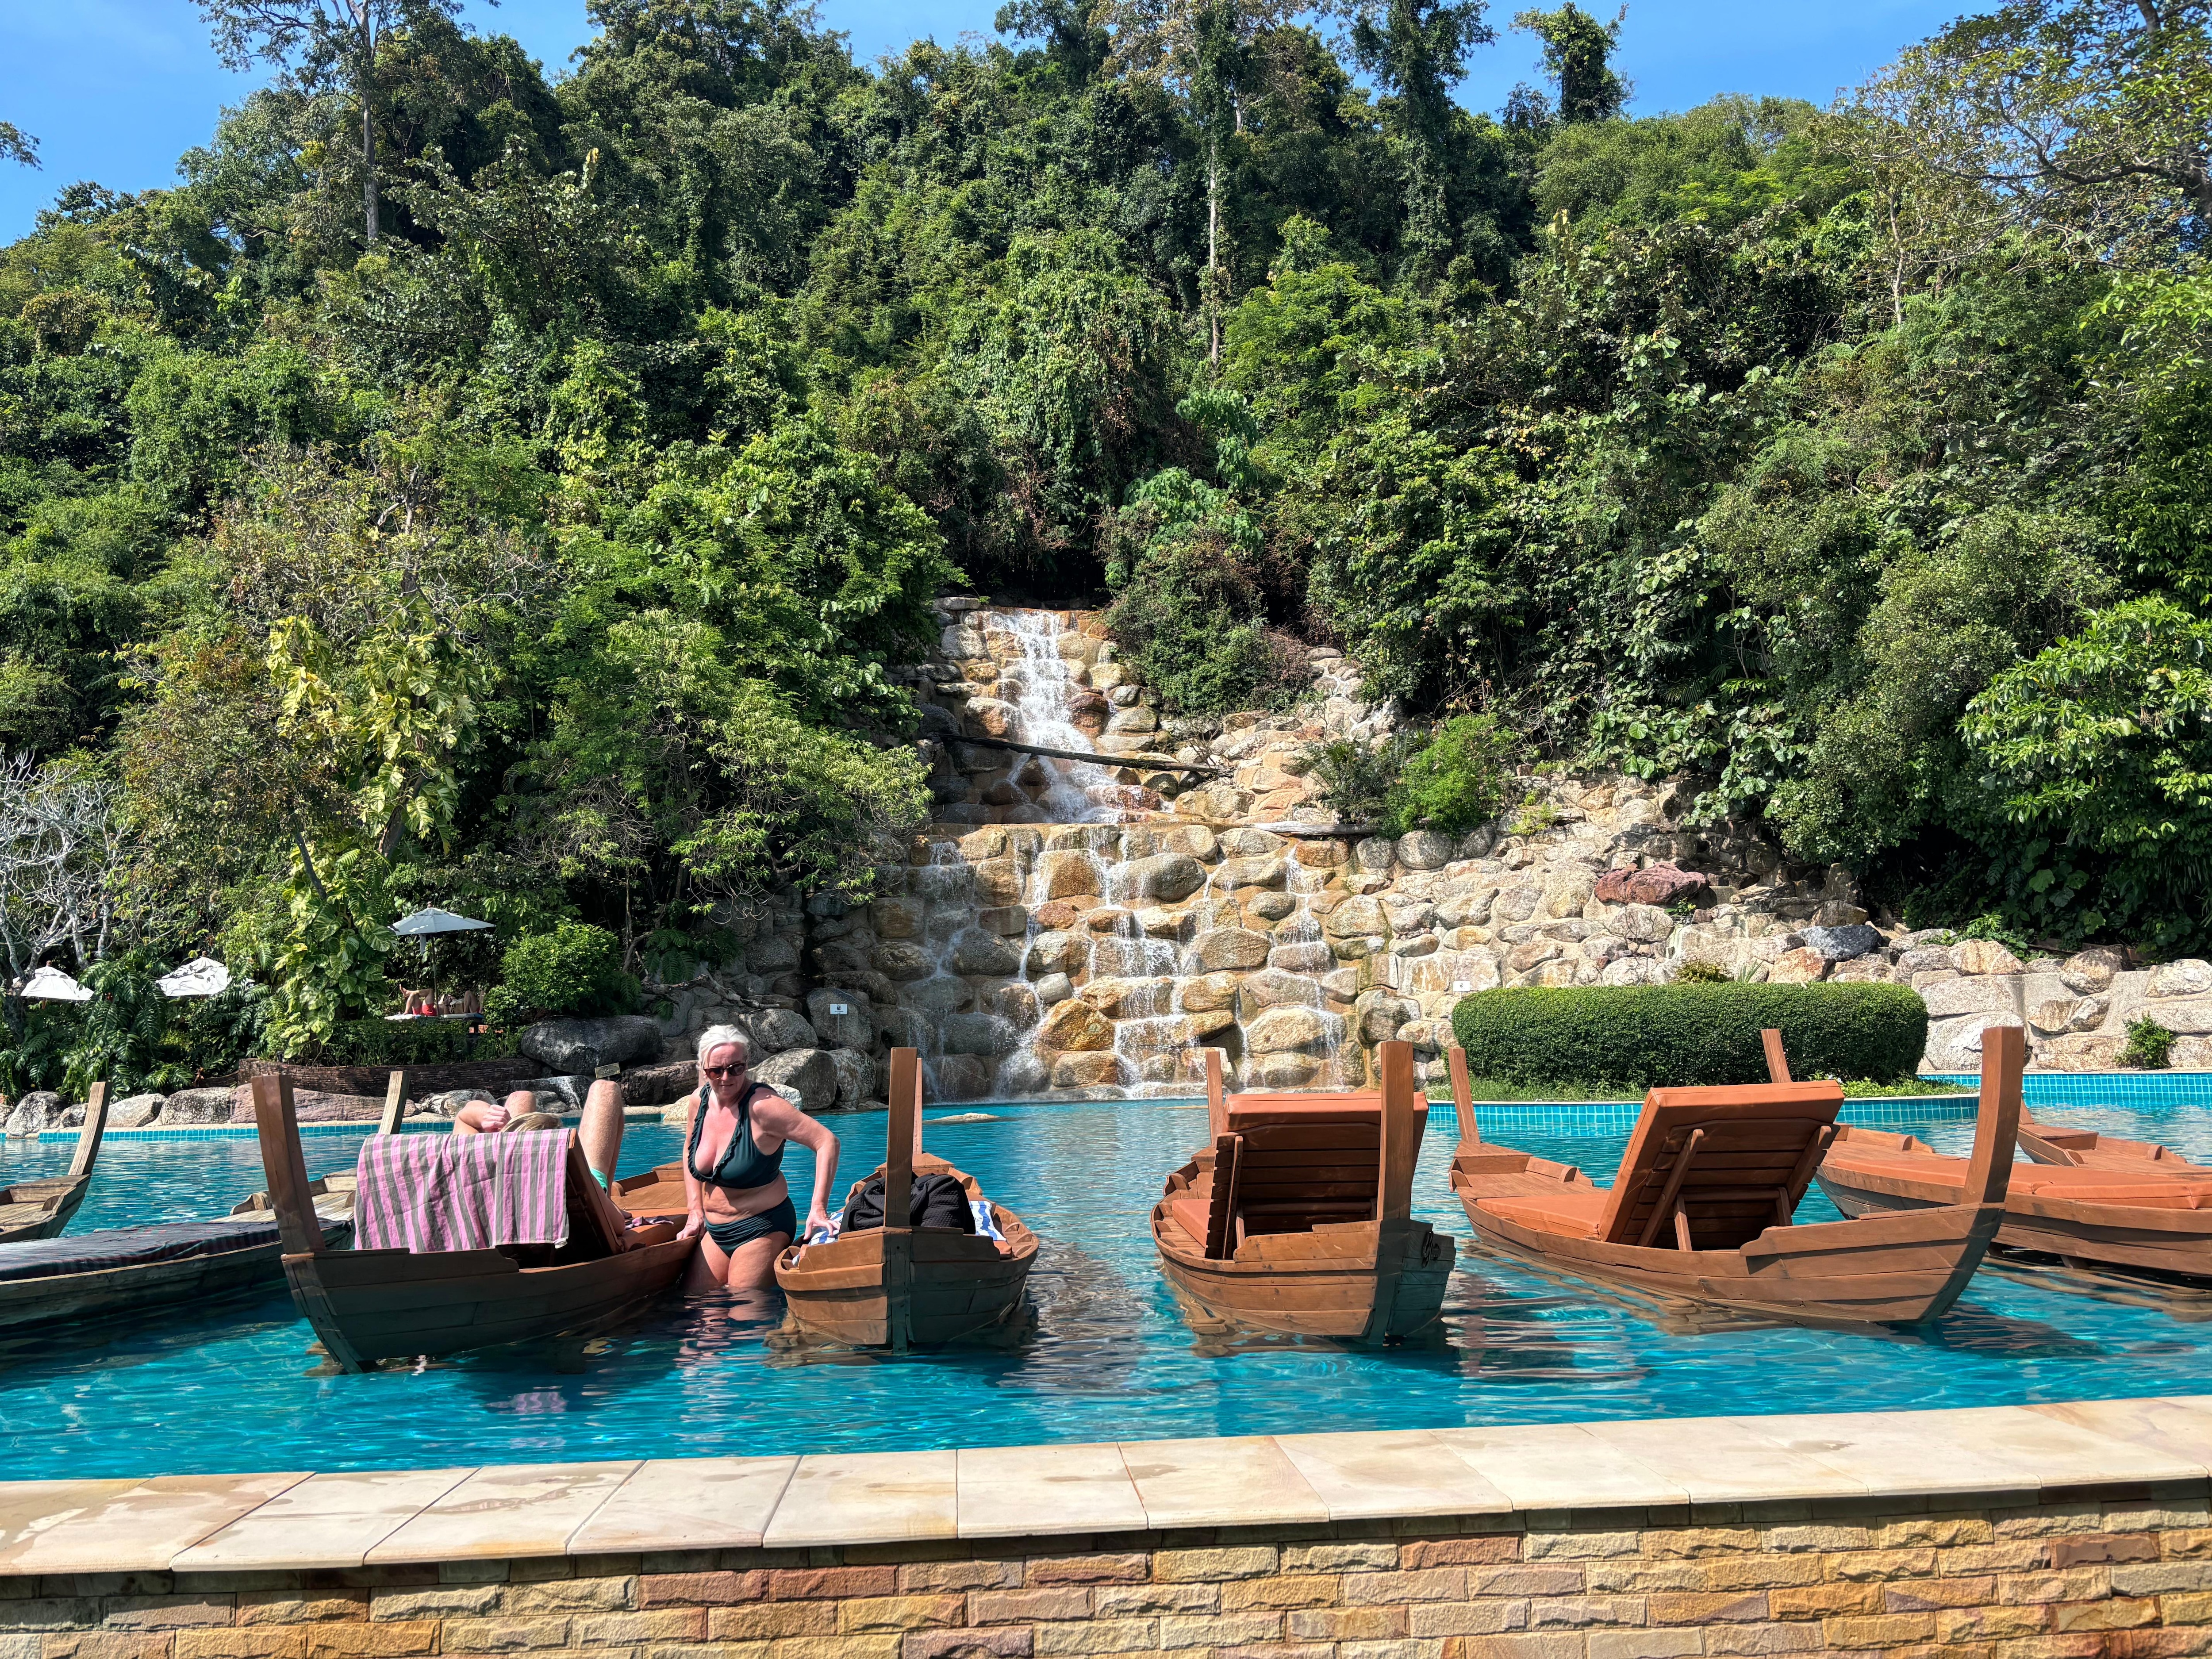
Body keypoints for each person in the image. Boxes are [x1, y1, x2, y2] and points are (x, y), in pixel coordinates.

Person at [680, 1025, 839, 1292]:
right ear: (703, 1069)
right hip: (716, 1230)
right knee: (698, 1307)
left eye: (736, 1068)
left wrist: (818, 1208)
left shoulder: (764, 1107)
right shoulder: (699, 1101)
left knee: (744, 1307)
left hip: (762, 1225)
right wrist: (695, 1210)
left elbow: (827, 1141)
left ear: (746, 1064)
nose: (726, 1078)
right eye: (716, 1071)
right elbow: (689, 1149)